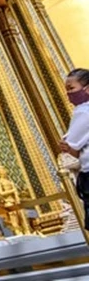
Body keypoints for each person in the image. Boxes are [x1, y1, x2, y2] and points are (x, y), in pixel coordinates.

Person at [60, 68, 89, 229]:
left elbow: (71, 145)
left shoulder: (83, 111)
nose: (69, 94)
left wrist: (66, 146)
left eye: (71, 89)